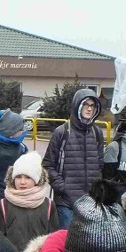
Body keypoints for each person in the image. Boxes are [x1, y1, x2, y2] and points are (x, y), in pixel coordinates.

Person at [42, 89, 105, 229]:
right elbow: (47, 165)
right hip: (66, 204)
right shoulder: (62, 132)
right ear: (77, 105)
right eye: (85, 104)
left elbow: (100, 164)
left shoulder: (97, 132)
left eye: (92, 105)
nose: (89, 108)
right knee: (66, 244)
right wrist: (63, 187)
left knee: (88, 245)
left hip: (91, 202)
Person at [0, 151, 59, 252]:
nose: (22, 182)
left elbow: (53, 239)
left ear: (37, 180)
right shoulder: (3, 205)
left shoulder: (48, 205)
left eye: (28, 177)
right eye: (18, 177)